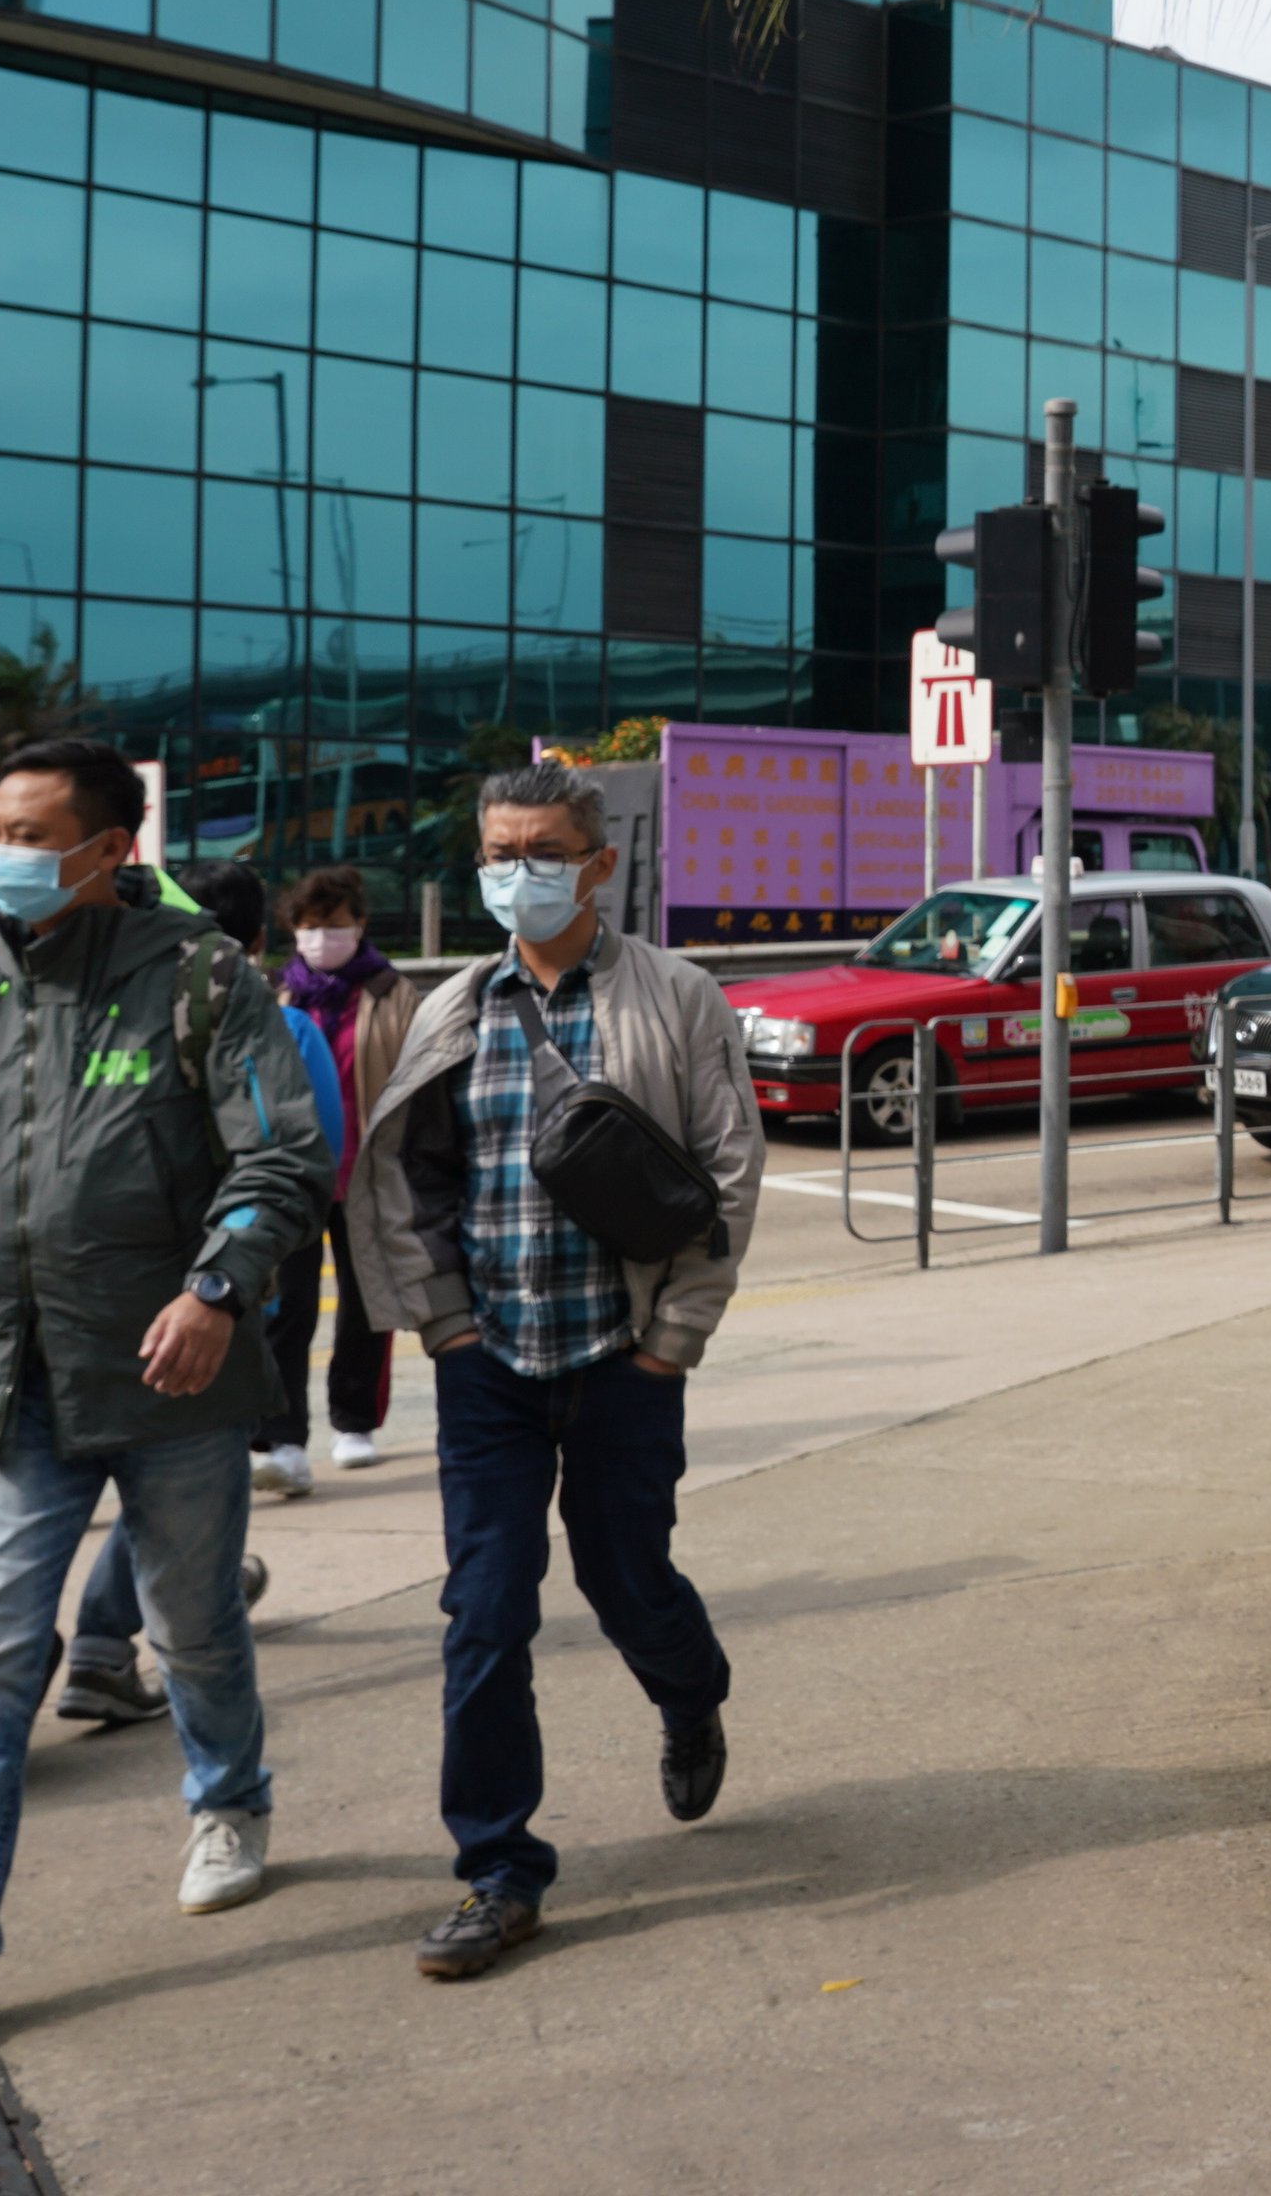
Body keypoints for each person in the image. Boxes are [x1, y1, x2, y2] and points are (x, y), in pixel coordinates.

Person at [0, 737, 327, 2034]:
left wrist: (217, 1290)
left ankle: (229, 1801)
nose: (4, 855)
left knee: (191, 1625)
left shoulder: (202, 978)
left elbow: (278, 1156)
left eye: (31, 836)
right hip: (8, 1374)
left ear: (107, 851)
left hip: (170, 1370)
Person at [349, 763, 764, 1981]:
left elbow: (727, 1173)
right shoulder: (453, 1007)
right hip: (489, 1363)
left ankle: (689, 1695)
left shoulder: (676, 995)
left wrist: (670, 1341)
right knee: (484, 1612)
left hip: (623, 1358)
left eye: (542, 852)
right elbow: (407, 1178)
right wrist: (442, 1323)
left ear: (598, 864)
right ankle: (499, 1871)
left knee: (628, 1579)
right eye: (499, 852)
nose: (516, 873)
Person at [50, 858, 339, 1729]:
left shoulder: (103, 1012)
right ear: (258, 938)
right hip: (223, 1296)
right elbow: (313, 1161)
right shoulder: (286, 1026)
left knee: (158, 1471)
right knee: (182, 1476)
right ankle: (114, 1640)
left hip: (103, 1289)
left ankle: (161, 1607)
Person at [274, 865, 419, 1470]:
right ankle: (281, 1434)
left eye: (333, 924)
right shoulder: (279, 997)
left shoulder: (392, 994)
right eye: (309, 926)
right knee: (287, 1306)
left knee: (366, 1305)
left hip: (368, 1174)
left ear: (360, 924)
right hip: (294, 1179)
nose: (321, 937)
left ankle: (355, 1422)